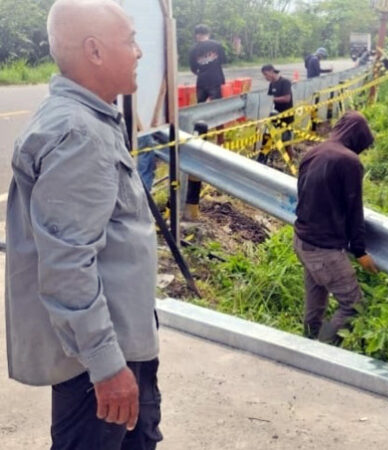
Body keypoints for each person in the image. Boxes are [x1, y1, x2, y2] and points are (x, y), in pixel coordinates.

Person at [5, 0, 161, 448]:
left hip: (114, 349)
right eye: (130, 41)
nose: (138, 52)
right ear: (94, 51)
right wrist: (107, 366)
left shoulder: (89, 119)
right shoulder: (79, 134)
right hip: (98, 367)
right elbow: (68, 265)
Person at [293, 111, 379, 344]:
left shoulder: (314, 152)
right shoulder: (349, 161)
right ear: (357, 138)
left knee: (316, 302)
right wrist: (360, 252)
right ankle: (321, 351)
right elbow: (354, 209)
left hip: (302, 241)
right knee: (354, 306)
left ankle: (308, 342)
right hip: (324, 248)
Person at [189, 24, 226, 103]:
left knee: (200, 106)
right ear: (208, 34)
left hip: (202, 81)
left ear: (196, 35)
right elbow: (223, 60)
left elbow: (193, 68)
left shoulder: (193, 49)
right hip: (215, 80)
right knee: (216, 105)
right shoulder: (217, 45)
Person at [261, 63, 294, 147]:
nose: (265, 77)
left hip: (286, 116)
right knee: (267, 137)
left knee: (286, 142)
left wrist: (272, 99)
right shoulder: (271, 84)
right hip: (275, 115)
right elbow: (269, 98)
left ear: (272, 71)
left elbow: (287, 98)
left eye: (266, 74)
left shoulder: (285, 82)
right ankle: (264, 157)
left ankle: (290, 159)